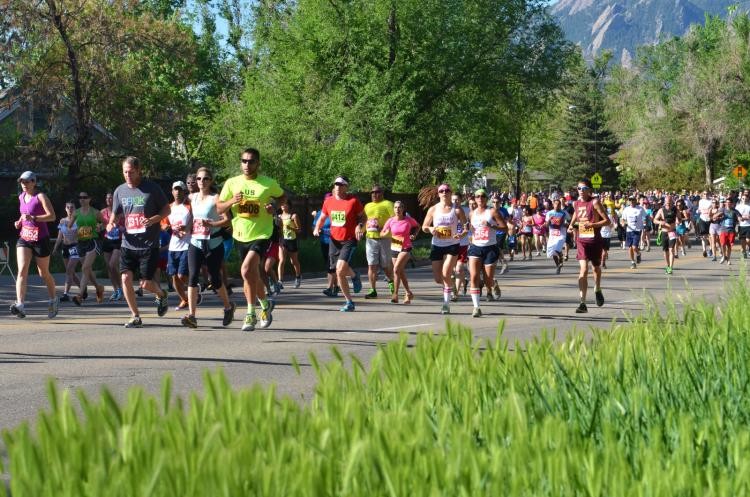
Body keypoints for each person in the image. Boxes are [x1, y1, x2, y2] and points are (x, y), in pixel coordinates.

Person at [218, 148, 286, 331]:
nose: (247, 164)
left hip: (263, 234)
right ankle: (265, 304)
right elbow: (219, 208)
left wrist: (274, 205)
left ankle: (250, 314)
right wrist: (232, 201)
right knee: (251, 275)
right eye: (244, 161)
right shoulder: (232, 183)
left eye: (251, 161)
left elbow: (282, 197)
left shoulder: (268, 183)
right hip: (241, 235)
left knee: (246, 270)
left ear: (258, 163)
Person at [107, 156, 171, 328]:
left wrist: (153, 219)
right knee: (125, 278)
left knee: (145, 284)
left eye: (131, 172)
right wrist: (111, 222)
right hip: (128, 243)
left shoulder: (152, 188)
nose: (127, 175)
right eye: (125, 172)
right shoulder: (120, 190)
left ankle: (161, 294)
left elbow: (167, 209)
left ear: (138, 171)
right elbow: (115, 212)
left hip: (149, 244)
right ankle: (135, 316)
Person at [181, 167, 236, 328]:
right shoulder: (192, 197)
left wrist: (212, 224)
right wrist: (186, 228)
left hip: (214, 243)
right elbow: (193, 217)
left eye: (205, 179)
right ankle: (192, 316)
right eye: (199, 179)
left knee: (214, 279)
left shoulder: (215, 198)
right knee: (192, 277)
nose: (201, 182)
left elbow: (227, 220)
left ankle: (228, 307)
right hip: (196, 242)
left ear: (211, 181)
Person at [313, 175, 365, 312]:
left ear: (346, 187)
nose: (337, 187)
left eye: (341, 184)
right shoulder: (328, 201)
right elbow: (322, 217)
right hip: (334, 240)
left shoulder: (353, 201)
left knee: (340, 270)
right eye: (336, 184)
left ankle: (349, 301)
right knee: (338, 270)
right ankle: (353, 280)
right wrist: (317, 227)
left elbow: (363, 217)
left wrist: (359, 226)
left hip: (349, 239)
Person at [11, 171, 59, 319]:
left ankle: (53, 299)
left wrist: (34, 218)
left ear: (34, 182)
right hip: (25, 237)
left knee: (43, 273)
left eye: (27, 182)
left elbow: (52, 216)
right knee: (22, 270)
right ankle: (20, 304)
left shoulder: (41, 197)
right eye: (22, 182)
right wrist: (19, 222)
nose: (24, 184)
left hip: (40, 239)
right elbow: (23, 213)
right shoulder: (21, 197)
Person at [421, 184, 467, 315]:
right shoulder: (433, 209)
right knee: (438, 278)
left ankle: (446, 304)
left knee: (446, 273)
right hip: (437, 245)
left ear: (450, 193)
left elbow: (466, 227)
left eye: (447, 190)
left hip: (452, 244)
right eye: (441, 191)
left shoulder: (457, 210)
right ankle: (450, 285)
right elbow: (424, 226)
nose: (444, 192)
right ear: (438, 194)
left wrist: (461, 234)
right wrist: (430, 229)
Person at [567, 178, 609, 313]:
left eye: (584, 188)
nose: (581, 191)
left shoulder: (594, 202)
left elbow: (607, 221)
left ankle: (597, 288)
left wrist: (593, 225)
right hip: (581, 240)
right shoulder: (576, 203)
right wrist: (570, 225)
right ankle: (583, 303)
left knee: (596, 268)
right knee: (583, 270)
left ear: (589, 190)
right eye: (579, 188)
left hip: (595, 240)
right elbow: (576, 213)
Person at [467, 189, 506, 317]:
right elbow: (472, 230)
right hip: (475, 247)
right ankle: (476, 307)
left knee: (487, 280)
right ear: (475, 199)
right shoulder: (471, 214)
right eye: (477, 196)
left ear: (486, 198)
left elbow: (505, 228)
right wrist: (468, 231)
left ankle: (493, 284)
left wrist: (491, 226)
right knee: (474, 277)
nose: (480, 198)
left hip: (490, 248)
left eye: (482, 196)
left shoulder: (492, 212)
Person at [380, 201, 419, 304]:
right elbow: (382, 233)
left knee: (396, 269)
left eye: (399, 207)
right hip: (395, 247)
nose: (397, 209)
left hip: (406, 247)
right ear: (393, 209)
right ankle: (408, 293)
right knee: (400, 272)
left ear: (403, 209)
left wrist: (414, 235)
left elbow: (417, 226)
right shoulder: (390, 220)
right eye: (395, 207)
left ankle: (395, 295)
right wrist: (386, 233)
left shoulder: (408, 220)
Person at [71, 192, 105, 305]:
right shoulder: (76, 213)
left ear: (89, 199)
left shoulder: (95, 212)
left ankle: (80, 296)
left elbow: (105, 223)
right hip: (80, 243)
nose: (82, 199)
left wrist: (100, 227)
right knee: (87, 270)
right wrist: (70, 227)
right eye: (80, 197)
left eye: (85, 197)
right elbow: (69, 226)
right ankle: (98, 287)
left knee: (85, 267)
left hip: (92, 241)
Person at [363, 185, 395, 299]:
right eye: (372, 192)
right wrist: (361, 230)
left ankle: (391, 281)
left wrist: (385, 228)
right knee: (371, 265)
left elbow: (395, 220)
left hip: (385, 238)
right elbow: (365, 220)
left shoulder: (388, 204)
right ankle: (373, 290)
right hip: (370, 238)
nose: (374, 194)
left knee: (386, 265)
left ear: (382, 193)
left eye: (377, 192)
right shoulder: (367, 206)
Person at [166, 181, 192, 310]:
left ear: (184, 191)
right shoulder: (168, 207)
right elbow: (163, 223)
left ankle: (194, 287)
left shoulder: (189, 206)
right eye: (175, 189)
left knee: (182, 275)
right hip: (173, 246)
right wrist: (167, 227)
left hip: (187, 244)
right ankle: (184, 299)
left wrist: (186, 228)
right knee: (174, 277)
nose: (177, 192)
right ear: (172, 192)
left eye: (180, 190)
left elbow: (195, 221)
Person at [52, 201, 81, 302]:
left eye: (72, 207)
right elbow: (59, 237)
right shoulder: (62, 221)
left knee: (69, 270)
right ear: (65, 209)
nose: (70, 209)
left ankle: (65, 294)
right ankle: (83, 289)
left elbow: (82, 235)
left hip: (75, 246)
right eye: (68, 207)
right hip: (65, 247)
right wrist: (55, 248)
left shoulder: (78, 220)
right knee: (70, 272)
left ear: (75, 209)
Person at [100, 192, 124, 301]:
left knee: (113, 265)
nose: (109, 200)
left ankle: (121, 289)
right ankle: (116, 290)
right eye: (107, 198)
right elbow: (101, 225)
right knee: (109, 267)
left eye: (111, 198)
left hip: (118, 240)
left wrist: (118, 226)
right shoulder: (103, 212)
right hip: (107, 239)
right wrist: (99, 227)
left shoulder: (121, 211)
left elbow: (126, 227)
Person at [313, 193, 338, 297]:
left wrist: (327, 231)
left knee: (331, 265)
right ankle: (335, 286)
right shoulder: (320, 213)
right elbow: (315, 226)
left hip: (335, 242)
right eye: (326, 200)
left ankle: (330, 288)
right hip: (324, 242)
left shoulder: (336, 212)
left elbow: (339, 227)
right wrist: (317, 230)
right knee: (329, 265)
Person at [653, 194, 683, 275]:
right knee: (665, 251)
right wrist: (661, 222)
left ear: (672, 202)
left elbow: (680, 219)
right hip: (664, 232)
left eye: (669, 203)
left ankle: (671, 268)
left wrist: (678, 221)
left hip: (672, 232)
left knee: (671, 250)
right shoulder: (661, 210)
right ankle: (668, 265)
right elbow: (654, 220)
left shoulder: (675, 210)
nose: (668, 204)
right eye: (667, 203)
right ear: (665, 202)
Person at [278, 200, 302, 288]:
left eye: (284, 204)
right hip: (282, 241)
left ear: (288, 205)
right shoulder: (279, 217)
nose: (283, 205)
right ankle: (280, 281)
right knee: (281, 260)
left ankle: (298, 277)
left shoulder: (293, 216)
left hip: (292, 240)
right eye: (281, 204)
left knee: (293, 261)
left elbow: (299, 230)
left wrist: (291, 228)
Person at [544, 196, 570, 274]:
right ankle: (558, 265)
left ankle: (561, 258)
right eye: (556, 204)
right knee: (553, 253)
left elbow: (569, 222)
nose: (557, 205)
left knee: (557, 249)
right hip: (552, 234)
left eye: (559, 204)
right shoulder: (549, 213)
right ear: (553, 204)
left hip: (561, 234)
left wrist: (566, 224)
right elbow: (546, 225)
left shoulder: (564, 213)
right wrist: (549, 220)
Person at [621, 195, 645, 269]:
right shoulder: (626, 209)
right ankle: (632, 262)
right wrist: (623, 223)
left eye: (633, 200)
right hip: (629, 230)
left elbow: (645, 217)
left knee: (634, 247)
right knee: (630, 248)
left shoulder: (640, 208)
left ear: (635, 200)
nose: (631, 201)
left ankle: (638, 253)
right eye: (630, 200)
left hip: (637, 230)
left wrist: (645, 224)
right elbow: (623, 219)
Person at [716, 197, 740, 265]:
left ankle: (728, 259)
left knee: (729, 246)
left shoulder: (735, 211)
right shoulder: (722, 210)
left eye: (729, 203)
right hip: (723, 229)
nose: (728, 204)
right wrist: (718, 214)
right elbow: (714, 217)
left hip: (731, 230)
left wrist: (740, 218)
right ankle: (724, 256)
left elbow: (739, 217)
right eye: (726, 202)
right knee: (722, 244)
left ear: (732, 203)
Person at [737, 190, 750, 259]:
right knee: (742, 241)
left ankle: (749, 249)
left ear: (747, 198)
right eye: (743, 198)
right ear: (741, 199)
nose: (744, 199)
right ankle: (744, 252)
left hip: (748, 225)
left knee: (748, 240)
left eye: (745, 198)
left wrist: (745, 218)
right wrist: (739, 218)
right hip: (741, 226)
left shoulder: (749, 206)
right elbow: (736, 215)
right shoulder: (738, 206)